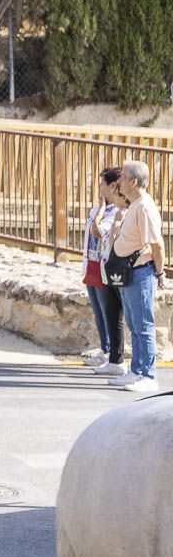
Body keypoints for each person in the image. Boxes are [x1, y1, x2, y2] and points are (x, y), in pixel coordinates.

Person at [108, 160, 166, 392]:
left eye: (122, 177)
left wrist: (160, 273)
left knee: (143, 325)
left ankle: (148, 375)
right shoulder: (135, 205)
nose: (119, 181)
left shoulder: (144, 207)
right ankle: (137, 370)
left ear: (133, 181)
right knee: (134, 323)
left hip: (141, 274)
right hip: (130, 274)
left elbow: (157, 245)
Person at [83, 168, 125, 375]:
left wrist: (100, 210)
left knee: (107, 311)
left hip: (103, 268)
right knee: (98, 312)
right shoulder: (99, 209)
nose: (100, 187)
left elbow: (97, 232)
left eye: (102, 184)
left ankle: (111, 353)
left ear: (111, 186)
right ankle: (104, 349)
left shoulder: (113, 211)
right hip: (91, 264)